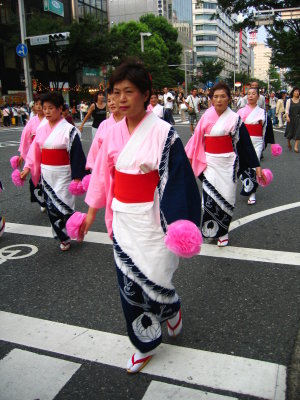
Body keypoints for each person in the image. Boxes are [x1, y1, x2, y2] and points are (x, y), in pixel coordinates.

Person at [79, 58, 201, 373]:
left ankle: (170, 306)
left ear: (145, 94)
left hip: (154, 217)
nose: (120, 99)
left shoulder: (164, 132)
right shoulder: (109, 132)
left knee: (158, 275)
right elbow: (103, 179)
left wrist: (179, 224)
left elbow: (178, 179)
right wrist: (90, 215)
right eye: (115, 92)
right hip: (123, 218)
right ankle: (144, 341)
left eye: (128, 92)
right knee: (129, 283)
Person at [185, 82, 264, 247]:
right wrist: (188, 159)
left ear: (229, 99)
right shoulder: (206, 116)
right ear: (211, 99)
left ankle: (224, 231)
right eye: (215, 97)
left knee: (227, 197)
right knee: (208, 198)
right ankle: (211, 230)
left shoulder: (235, 119)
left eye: (223, 96)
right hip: (209, 163)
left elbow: (245, 145)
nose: (219, 100)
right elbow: (196, 140)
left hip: (228, 163)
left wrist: (256, 165)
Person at [20, 92, 87, 251]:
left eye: (51, 108)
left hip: (63, 173)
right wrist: (27, 169)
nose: (47, 111)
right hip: (47, 173)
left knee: (64, 205)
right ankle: (64, 237)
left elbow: (77, 155)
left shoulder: (69, 130)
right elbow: (35, 151)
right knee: (51, 206)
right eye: (45, 108)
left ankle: (73, 229)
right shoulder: (42, 127)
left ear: (60, 109)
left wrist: (77, 178)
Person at [237, 87, 275, 205]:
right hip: (243, 143)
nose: (251, 96)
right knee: (241, 166)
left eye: (254, 94)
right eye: (248, 94)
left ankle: (252, 193)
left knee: (254, 166)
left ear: (258, 96)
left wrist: (271, 143)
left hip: (257, 142)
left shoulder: (263, 112)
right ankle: (247, 183)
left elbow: (266, 129)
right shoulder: (240, 112)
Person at [17, 96, 47, 212]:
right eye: (37, 104)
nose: (39, 107)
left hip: (47, 152)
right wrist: (22, 154)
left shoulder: (49, 120)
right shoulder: (31, 122)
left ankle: (49, 199)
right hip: (35, 154)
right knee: (37, 178)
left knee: (47, 178)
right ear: (34, 106)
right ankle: (42, 200)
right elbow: (25, 140)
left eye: (41, 104)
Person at [86, 89, 123, 170]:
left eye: (114, 100)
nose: (112, 103)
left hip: (125, 169)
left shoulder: (130, 122)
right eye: (109, 101)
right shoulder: (104, 124)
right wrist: (93, 166)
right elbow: (95, 147)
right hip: (105, 167)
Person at [285, 87, 300, 153]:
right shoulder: (289, 101)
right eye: (296, 91)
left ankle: (296, 146)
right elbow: (287, 110)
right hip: (290, 118)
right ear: (293, 92)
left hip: (298, 118)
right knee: (289, 132)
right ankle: (288, 143)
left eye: (298, 91)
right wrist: (287, 117)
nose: (297, 92)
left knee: (298, 132)